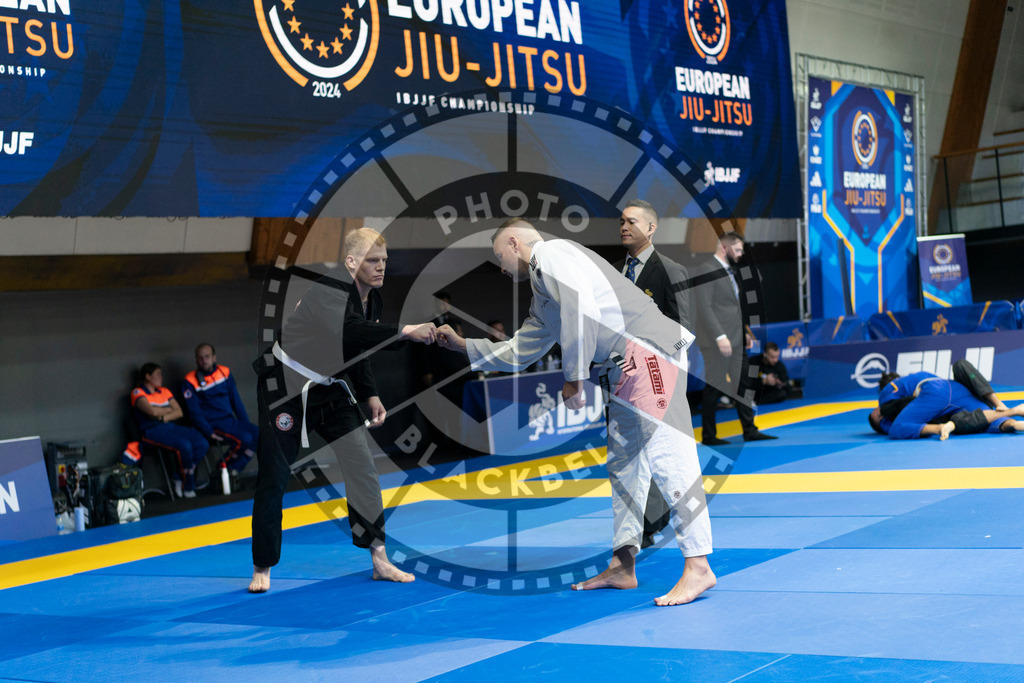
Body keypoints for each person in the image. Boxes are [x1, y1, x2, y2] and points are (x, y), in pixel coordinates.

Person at [437, 218, 715, 606]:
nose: (500, 267)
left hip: (646, 348)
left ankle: (699, 564)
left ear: (515, 242)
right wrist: (462, 346)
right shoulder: (541, 295)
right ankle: (623, 564)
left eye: (499, 256)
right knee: (624, 465)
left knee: (669, 453)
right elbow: (519, 352)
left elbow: (580, 306)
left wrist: (574, 376)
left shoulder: (554, 253)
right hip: (619, 368)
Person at [249, 228, 438, 593]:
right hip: (284, 389)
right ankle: (262, 565)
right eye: (372, 261)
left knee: (363, 466)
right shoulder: (329, 290)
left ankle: (380, 558)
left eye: (384, 261)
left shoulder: (371, 297)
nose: (381, 267)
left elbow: (356, 349)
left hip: (329, 389)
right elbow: (351, 331)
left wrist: (369, 394)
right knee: (274, 475)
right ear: (351, 262)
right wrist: (406, 331)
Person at [615, 199, 693, 548]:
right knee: (629, 454)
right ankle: (635, 526)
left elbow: (681, 329)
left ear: (651, 227)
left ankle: (652, 522)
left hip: (659, 376)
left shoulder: (670, 269)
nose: (624, 226)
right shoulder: (616, 274)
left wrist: (665, 374)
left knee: (660, 450)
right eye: (621, 221)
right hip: (623, 377)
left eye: (632, 221)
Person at [693, 232, 775, 445]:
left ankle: (750, 430)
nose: (740, 254)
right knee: (715, 386)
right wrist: (720, 336)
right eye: (737, 250)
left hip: (736, 339)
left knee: (743, 384)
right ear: (724, 247)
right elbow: (705, 308)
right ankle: (709, 436)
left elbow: (733, 308)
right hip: (716, 342)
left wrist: (745, 332)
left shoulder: (730, 272)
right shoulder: (706, 270)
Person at [868, 361, 1024, 439]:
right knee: (976, 421)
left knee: (896, 429)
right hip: (956, 389)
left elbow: (890, 419)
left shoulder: (888, 391)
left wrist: (882, 420)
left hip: (933, 395)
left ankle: (941, 428)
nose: (878, 414)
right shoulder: (919, 375)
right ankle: (1014, 417)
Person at [131, 363, 209, 498]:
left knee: (201, 442)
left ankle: (178, 475)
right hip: (151, 431)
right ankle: (188, 486)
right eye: (157, 374)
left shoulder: (165, 391)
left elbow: (179, 412)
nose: (161, 377)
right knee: (185, 445)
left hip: (169, 426)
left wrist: (163, 417)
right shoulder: (138, 392)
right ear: (148, 377)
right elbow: (152, 411)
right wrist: (168, 410)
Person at [182, 343, 257, 475]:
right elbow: (194, 412)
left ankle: (234, 469)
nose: (204, 360)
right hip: (214, 424)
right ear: (196, 360)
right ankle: (222, 468)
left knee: (258, 435)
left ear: (214, 357)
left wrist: (245, 423)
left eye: (207, 356)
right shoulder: (189, 381)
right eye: (200, 358)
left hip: (230, 420)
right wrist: (208, 431)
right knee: (245, 439)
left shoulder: (224, 372)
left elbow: (236, 401)